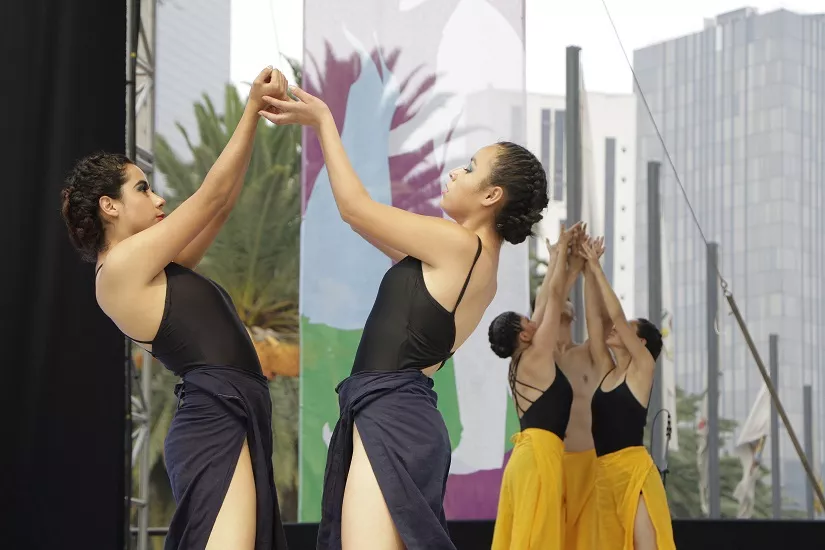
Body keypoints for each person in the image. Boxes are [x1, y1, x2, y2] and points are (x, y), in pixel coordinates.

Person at [258, 88, 548, 550]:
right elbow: (369, 227)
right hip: (399, 415)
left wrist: (324, 121)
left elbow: (355, 210)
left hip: (394, 416)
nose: (456, 171)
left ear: (492, 195)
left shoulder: (457, 246)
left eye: (470, 168)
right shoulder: (474, 264)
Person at [60, 67, 290, 550]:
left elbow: (221, 206)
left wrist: (257, 115)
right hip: (212, 417)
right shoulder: (118, 268)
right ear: (110, 206)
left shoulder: (153, 264)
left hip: (232, 410)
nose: (159, 197)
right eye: (143, 189)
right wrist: (250, 109)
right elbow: (207, 200)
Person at [487, 223, 581, 550]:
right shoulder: (537, 353)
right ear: (523, 335)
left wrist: (559, 258)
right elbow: (552, 297)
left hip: (530, 460)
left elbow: (545, 299)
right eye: (527, 321)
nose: (534, 320)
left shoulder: (523, 359)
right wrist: (562, 251)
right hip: (538, 460)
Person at [579, 238, 676, 550]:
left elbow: (615, 318)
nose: (616, 329)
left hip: (633, 471)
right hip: (603, 475)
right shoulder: (607, 369)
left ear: (642, 342)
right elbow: (596, 321)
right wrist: (586, 272)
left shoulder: (643, 367)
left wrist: (597, 265)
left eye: (628, 329)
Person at [554, 236, 613, 550]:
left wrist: (591, 267)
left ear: (573, 317)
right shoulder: (538, 359)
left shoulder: (588, 355)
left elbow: (600, 320)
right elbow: (549, 301)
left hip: (590, 462)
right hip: (555, 464)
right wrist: (567, 268)